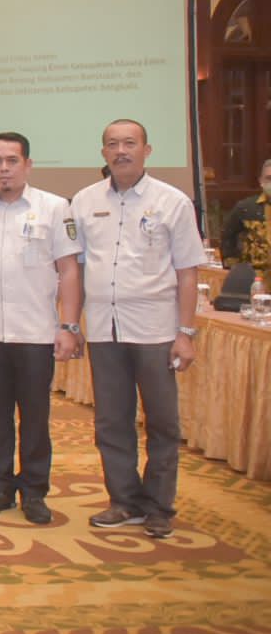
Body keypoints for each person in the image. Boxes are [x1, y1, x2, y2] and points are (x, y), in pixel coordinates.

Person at [71, 119, 207, 540]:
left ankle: (159, 506)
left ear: (147, 150)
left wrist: (185, 332)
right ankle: (124, 501)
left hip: (156, 330)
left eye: (130, 143)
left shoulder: (173, 202)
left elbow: (187, 272)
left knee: (162, 422)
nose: (121, 150)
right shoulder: (83, 200)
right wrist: (70, 324)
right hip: (104, 329)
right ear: (103, 153)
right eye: (112, 144)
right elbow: (74, 269)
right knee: (111, 421)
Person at [0, 132, 82, 525]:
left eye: (12, 160)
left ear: (28, 164)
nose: (4, 168)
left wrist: (69, 325)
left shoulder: (55, 208)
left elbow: (69, 270)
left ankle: (35, 491)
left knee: (36, 416)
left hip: (36, 333)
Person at [220, 158, 271, 274]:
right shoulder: (245, 208)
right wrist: (234, 270)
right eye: (269, 178)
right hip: (254, 278)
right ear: (261, 181)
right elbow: (227, 237)